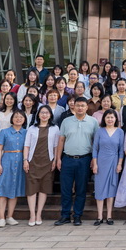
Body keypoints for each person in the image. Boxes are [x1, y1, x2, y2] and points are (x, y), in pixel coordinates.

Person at [54, 97, 98, 226]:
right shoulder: (66, 121)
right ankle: (65, 215)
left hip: (85, 159)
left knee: (81, 189)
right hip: (67, 159)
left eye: (82, 106)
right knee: (66, 189)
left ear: (86, 107)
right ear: (73, 106)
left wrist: (94, 159)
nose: (80, 108)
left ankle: (78, 215)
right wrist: (58, 158)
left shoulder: (93, 122)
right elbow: (61, 140)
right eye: (77, 105)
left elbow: (96, 142)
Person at [23, 105, 60, 226]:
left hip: (47, 161)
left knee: (44, 188)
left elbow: (56, 146)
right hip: (33, 161)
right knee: (31, 188)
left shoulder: (55, 128)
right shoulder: (32, 128)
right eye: (42, 112)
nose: (44, 115)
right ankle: (32, 215)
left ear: (50, 115)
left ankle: (39, 214)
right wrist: (25, 160)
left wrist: (55, 160)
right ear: (38, 114)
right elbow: (27, 145)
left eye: (47, 113)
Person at [0, 110, 27, 227]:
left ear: (24, 119)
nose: (18, 119)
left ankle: (10, 216)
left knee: (14, 190)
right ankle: (1, 217)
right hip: (6, 161)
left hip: (20, 162)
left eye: (21, 117)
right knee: (2, 189)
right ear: (12, 119)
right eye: (16, 117)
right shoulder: (4, 132)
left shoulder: (26, 132)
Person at [91, 109, 124, 225]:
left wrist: (119, 164)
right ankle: (99, 216)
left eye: (112, 117)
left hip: (114, 162)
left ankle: (109, 216)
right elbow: (95, 148)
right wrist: (95, 164)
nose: (110, 119)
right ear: (104, 119)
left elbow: (121, 150)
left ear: (116, 119)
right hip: (101, 162)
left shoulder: (120, 132)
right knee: (99, 189)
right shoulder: (99, 131)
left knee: (111, 189)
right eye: (108, 117)